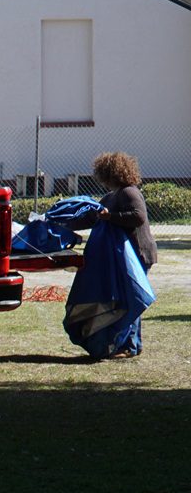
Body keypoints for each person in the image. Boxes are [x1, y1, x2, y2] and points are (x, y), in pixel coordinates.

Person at [65, 151, 156, 361]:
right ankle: (132, 344)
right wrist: (64, 223)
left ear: (111, 173)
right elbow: (93, 218)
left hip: (138, 254)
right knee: (128, 297)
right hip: (123, 256)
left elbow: (138, 217)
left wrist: (110, 216)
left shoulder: (128, 193)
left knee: (131, 298)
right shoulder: (111, 196)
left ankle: (130, 346)